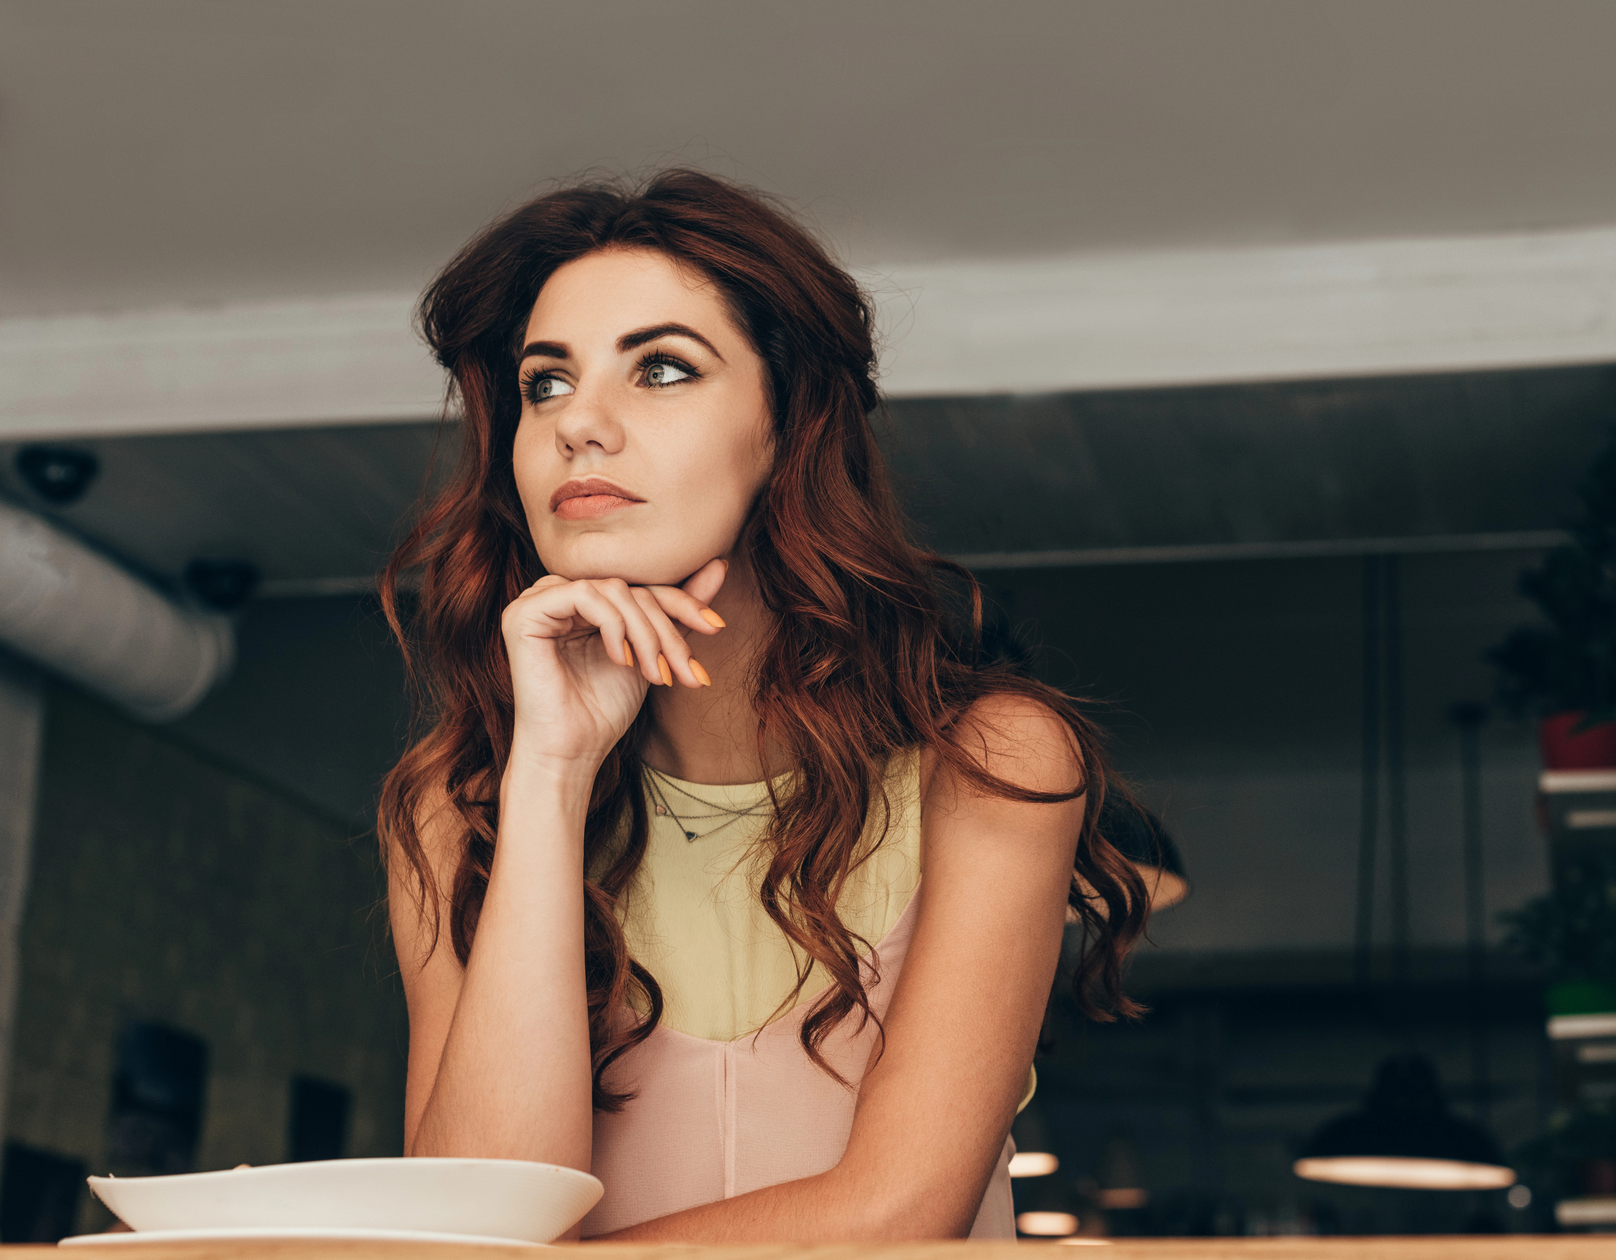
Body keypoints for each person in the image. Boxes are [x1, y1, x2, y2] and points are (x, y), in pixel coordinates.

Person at [376, 168, 1150, 1242]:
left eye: (658, 369)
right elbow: (475, 1220)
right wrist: (550, 775)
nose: (577, 425)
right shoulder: (456, 809)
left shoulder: (993, 765)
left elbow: (894, 1215)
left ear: (788, 427)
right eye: (544, 384)